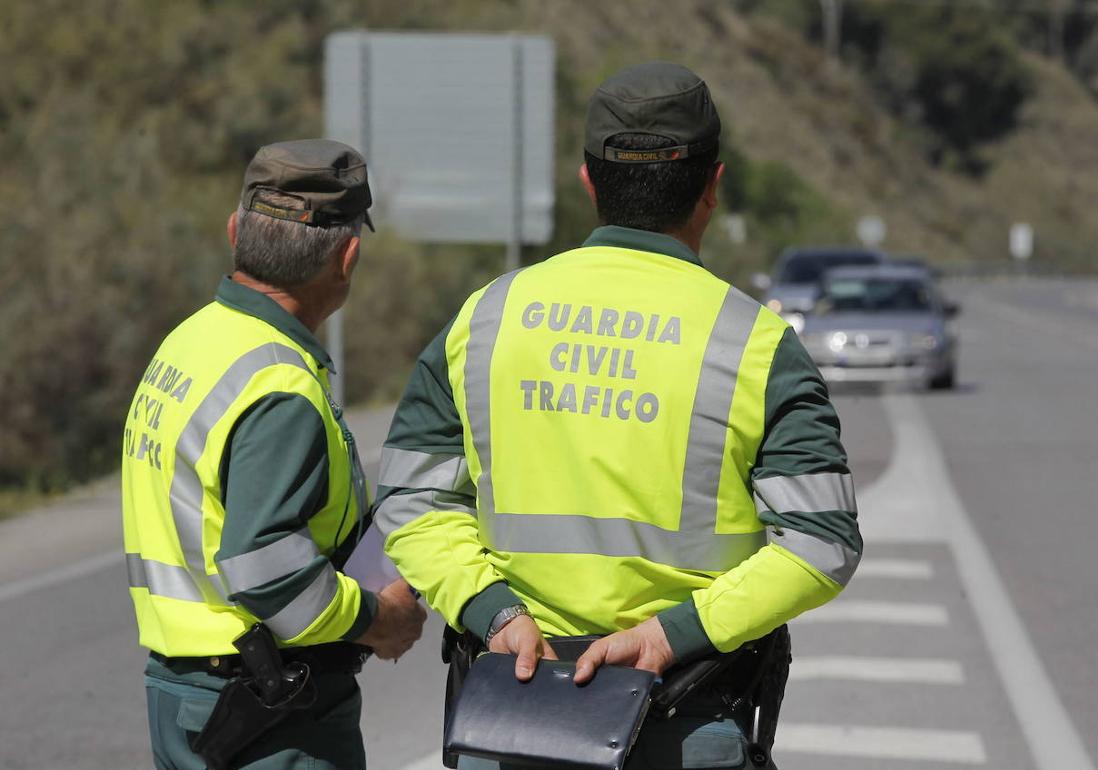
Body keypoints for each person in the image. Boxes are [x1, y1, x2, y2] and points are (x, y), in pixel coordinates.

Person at [375, 62, 861, 770]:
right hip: (686, 724)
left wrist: (494, 615)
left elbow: (410, 501)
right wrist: (673, 635)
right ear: (712, 188)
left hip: (515, 723)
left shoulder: (484, 320)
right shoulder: (756, 344)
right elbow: (822, 542)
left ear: (587, 181)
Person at [122, 139, 426, 770]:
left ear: (236, 231)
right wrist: (379, 619)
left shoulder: (190, 341)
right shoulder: (278, 385)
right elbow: (265, 570)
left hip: (183, 696)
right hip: (272, 715)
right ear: (348, 256)